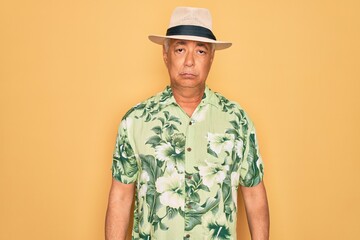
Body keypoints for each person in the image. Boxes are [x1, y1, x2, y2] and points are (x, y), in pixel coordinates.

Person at [105, 6, 269, 240]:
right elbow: (120, 197)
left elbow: (254, 195)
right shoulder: (135, 121)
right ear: (165, 54)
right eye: (180, 49)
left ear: (212, 56)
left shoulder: (238, 120)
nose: (190, 61)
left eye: (200, 51)